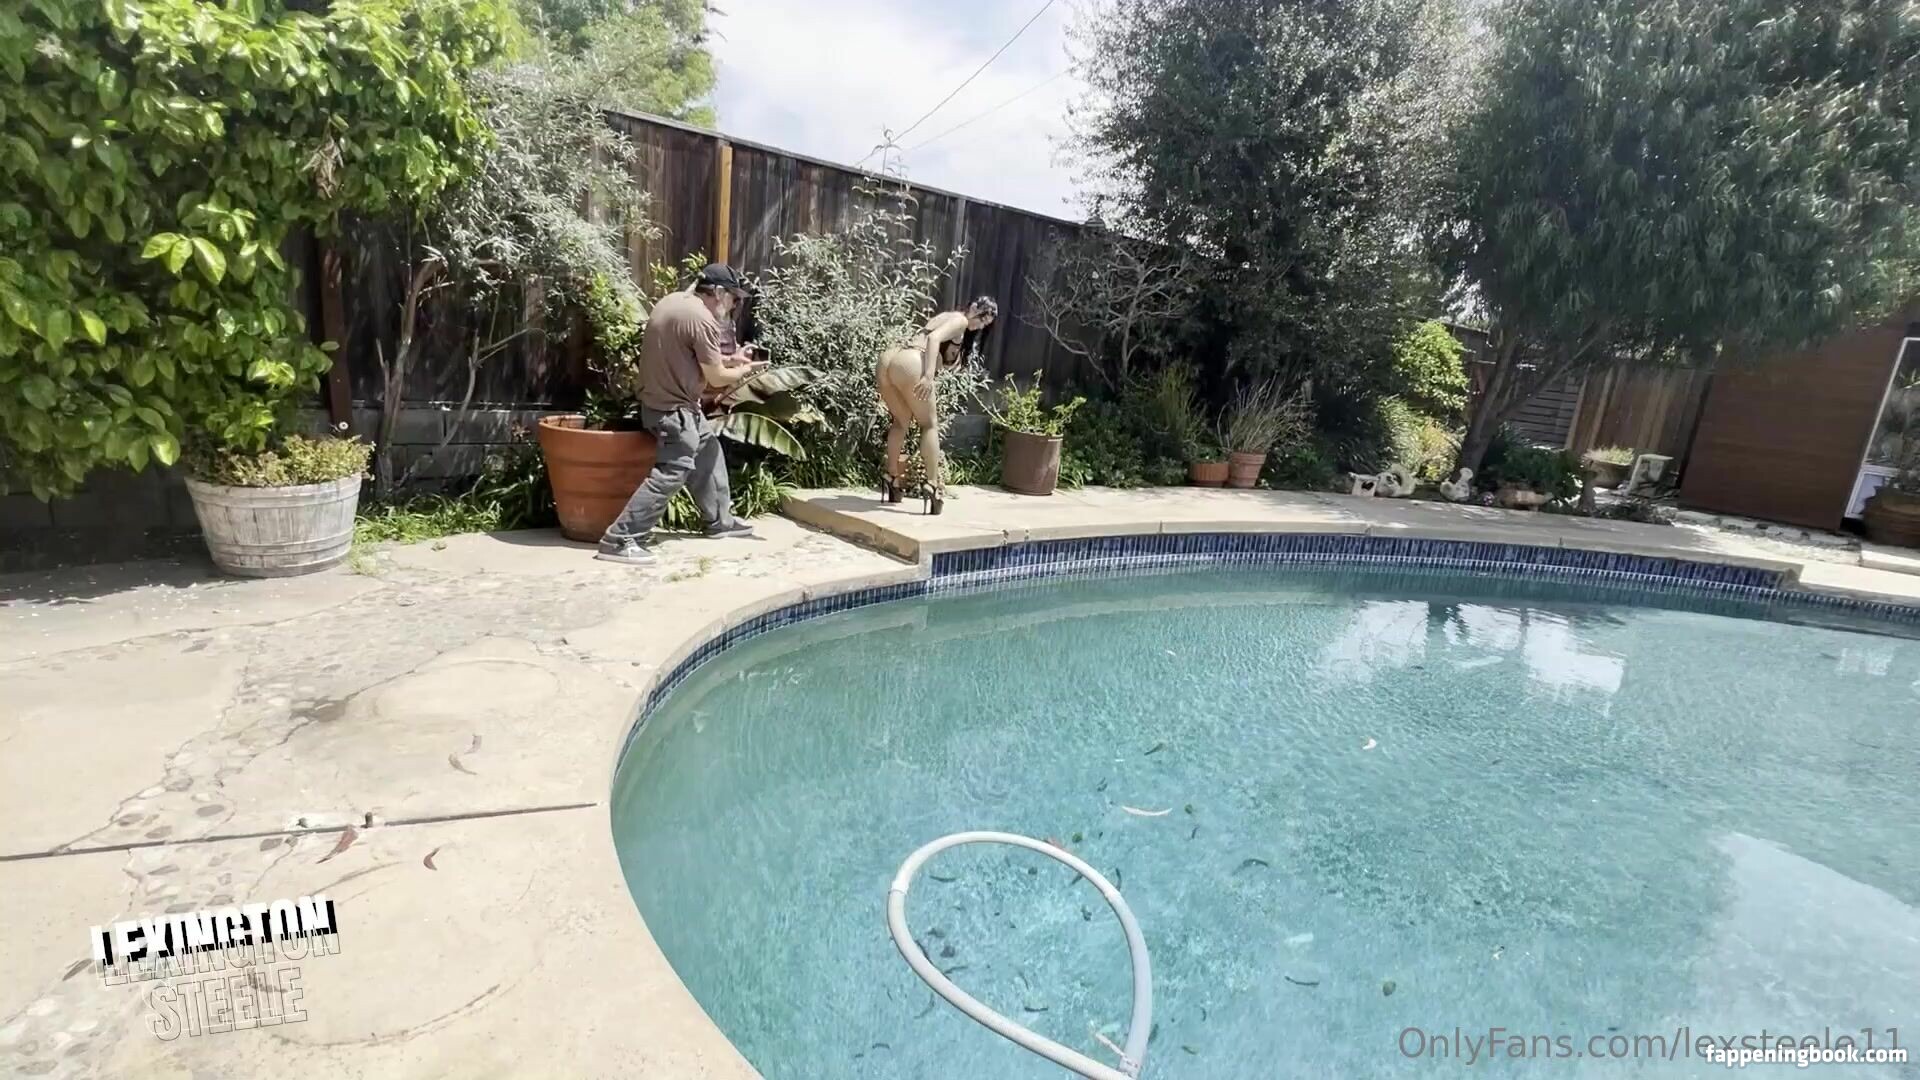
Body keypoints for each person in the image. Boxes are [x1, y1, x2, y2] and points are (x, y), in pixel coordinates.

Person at [598, 264, 766, 565]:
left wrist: (730, 359)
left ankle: (720, 522)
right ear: (718, 293)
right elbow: (716, 378)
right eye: (733, 298)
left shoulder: (673, 302)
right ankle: (620, 539)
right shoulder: (702, 319)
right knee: (672, 472)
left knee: (708, 449)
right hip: (673, 412)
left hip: (661, 404)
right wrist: (745, 371)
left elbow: (686, 353)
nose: (734, 305)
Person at [876, 296, 998, 515]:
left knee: (900, 422)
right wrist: (929, 376)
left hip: (892, 359)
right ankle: (933, 485)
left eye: (984, 325)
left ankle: (892, 477)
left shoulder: (948, 316)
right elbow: (933, 339)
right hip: (913, 361)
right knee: (930, 425)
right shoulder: (960, 320)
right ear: (973, 308)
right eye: (981, 319)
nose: (979, 326)